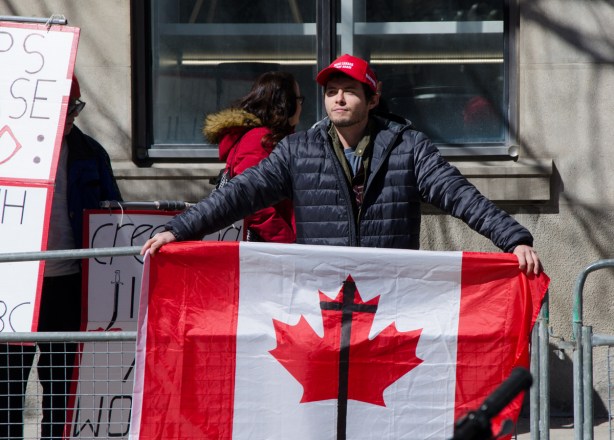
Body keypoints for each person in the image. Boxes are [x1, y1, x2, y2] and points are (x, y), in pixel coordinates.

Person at [141, 54, 541, 275]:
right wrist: (179, 229)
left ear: (372, 98)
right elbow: (241, 193)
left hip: (391, 293)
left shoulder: (409, 147)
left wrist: (514, 239)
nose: (339, 99)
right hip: (322, 293)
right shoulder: (298, 150)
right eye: (332, 92)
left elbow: (460, 195)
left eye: (349, 91)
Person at [0, 74, 122, 439]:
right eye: (64, 109)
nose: (71, 116)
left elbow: (113, 213)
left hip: (69, 283)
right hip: (16, 284)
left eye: (77, 108)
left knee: (61, 384)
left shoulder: (89, 153)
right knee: (8, 384)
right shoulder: (9, 149)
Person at [204, 71, 301, 242]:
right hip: (271, 247)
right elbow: (254, 204)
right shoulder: (259, 141)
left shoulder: (263, 138)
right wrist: (288, 243)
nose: (301, 107)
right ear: (286, 105)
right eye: (299, 100)